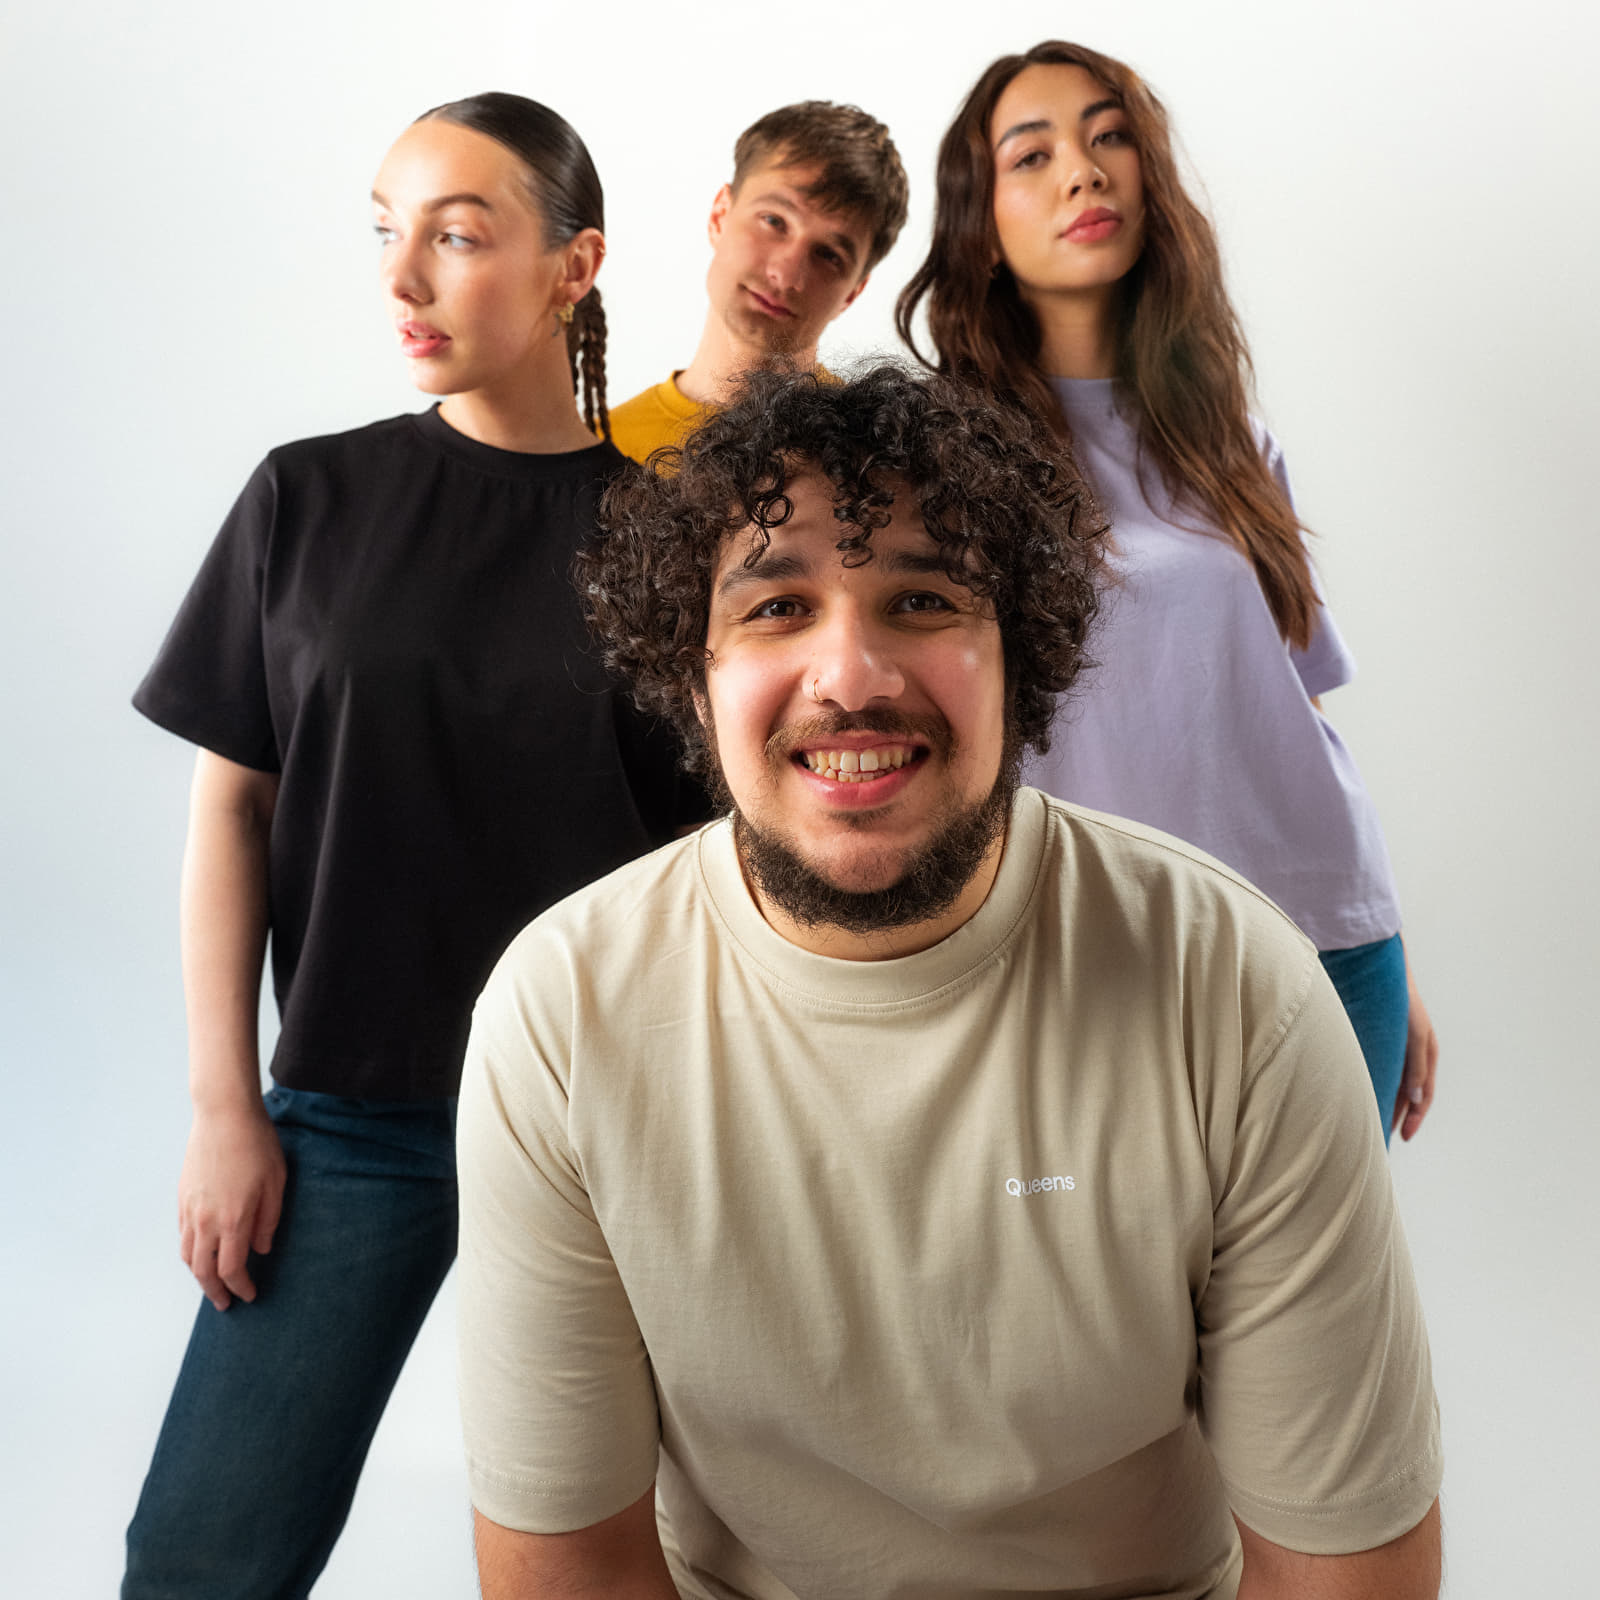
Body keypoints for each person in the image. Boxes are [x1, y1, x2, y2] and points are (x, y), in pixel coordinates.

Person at [457, 367, 1444, 1599]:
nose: (851, 675)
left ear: (1018, 656)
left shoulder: (1239, 989)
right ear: (693, 676)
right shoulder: (561, 1015)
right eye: (777, 607)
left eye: (922, 599)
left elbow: (1345, 1571)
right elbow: (572, 1570)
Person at [122, 93, 702, 1599]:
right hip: (352, 1116)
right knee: (197, 1560)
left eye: (456, 235)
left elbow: (722, 867)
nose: (402, 275)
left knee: (676, 1556)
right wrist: (226, 1108)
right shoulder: (306, 497)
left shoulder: (672, 541)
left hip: (618, 1125)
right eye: (389, 231)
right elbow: (232, 807)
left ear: (576, 265)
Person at [895, 41, 1438, 1144]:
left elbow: (1295, 702)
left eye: (1110, 137)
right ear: (979, 227)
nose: (1084, 172)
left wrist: (1390, 948)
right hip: (1096, 957)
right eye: (1032, 155)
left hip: (1328, 941)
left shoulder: (1228, 436)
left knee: (1330, 1263)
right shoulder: (944, 459)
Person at [606, 100, 908, 462]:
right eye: (774, 221)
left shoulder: (880, 459)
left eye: (828, 255)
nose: (786, 275)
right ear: (720, 215)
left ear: (852, 294)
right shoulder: (598, 452)